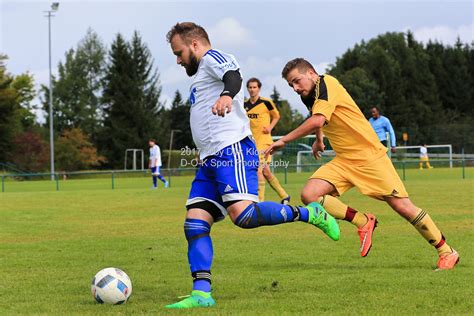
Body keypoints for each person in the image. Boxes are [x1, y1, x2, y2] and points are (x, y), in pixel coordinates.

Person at [164, 23, 340, 309]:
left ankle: (309, 213)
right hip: (210, 158)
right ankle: (202, 294)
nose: (178, 59)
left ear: (194, 45)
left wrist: (225, 95)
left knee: (243, 216)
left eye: (179, 52)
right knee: (195, 224)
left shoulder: (213, 58)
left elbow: (233, 77)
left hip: (232, 149)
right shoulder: (199, 75)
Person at [265, 58, 459, 271]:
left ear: (311, 73)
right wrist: (319, 140)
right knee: (310, 194)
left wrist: (283, 140)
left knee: (402, 206)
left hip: (369, 157)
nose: (295, 88)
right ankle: (363, 221)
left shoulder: (327, 84)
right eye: (291, 85)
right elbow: (317, 117)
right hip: (344, 160)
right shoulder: (308, 94)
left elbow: (318, 119)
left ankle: (446, 251)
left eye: (296, 81)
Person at [244, 78, 290, 204]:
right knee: (266, 172)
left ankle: (259, 202)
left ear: (259, 88)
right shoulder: (245, 105)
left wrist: (270, 127)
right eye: (250, 87)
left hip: (264, 143)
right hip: (252, 144)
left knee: (259, 170)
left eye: (254, 87)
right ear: (247, 89)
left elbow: (276, 115)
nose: (252, 89)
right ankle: (284, 195)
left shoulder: (266, 102)